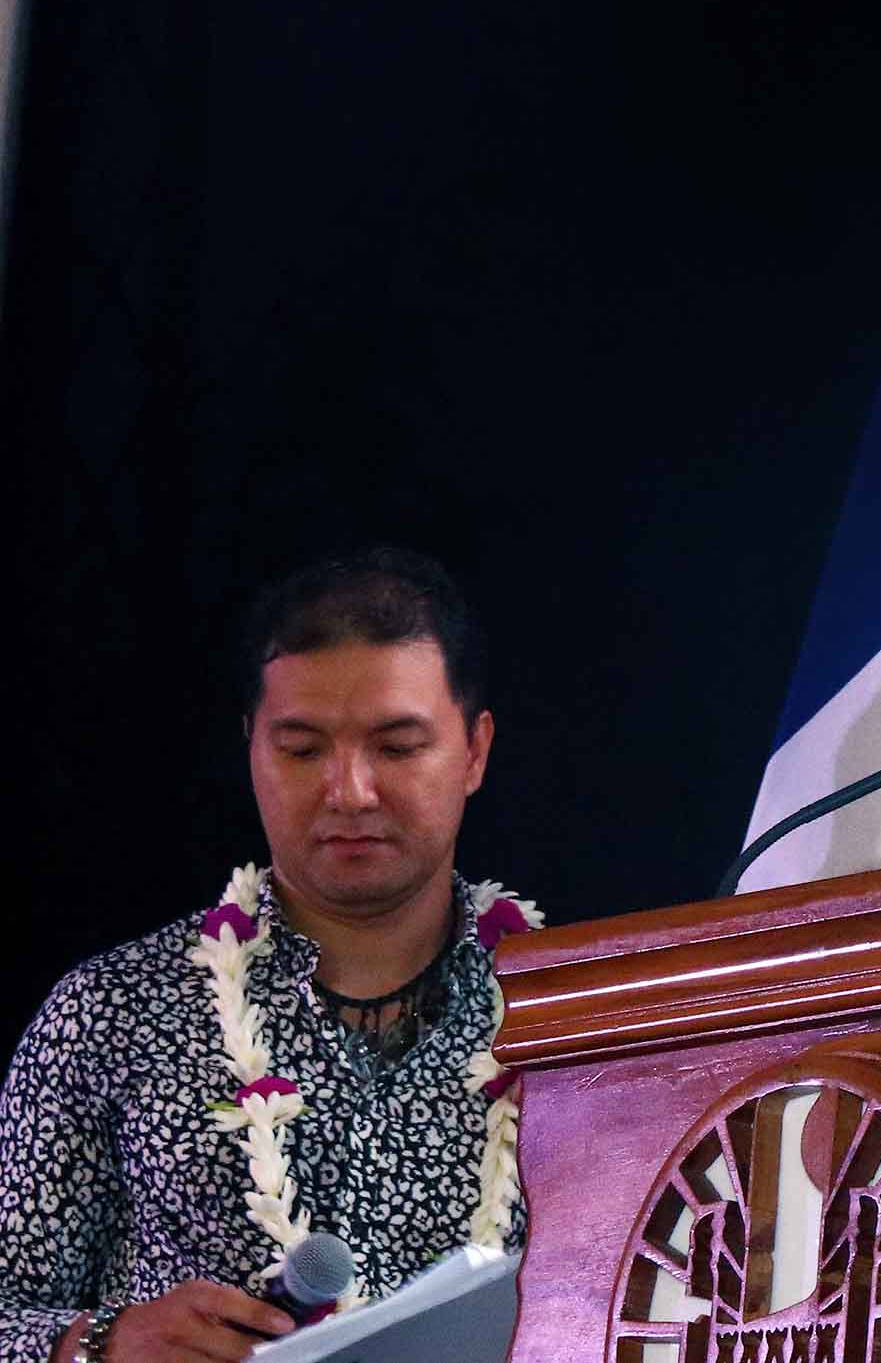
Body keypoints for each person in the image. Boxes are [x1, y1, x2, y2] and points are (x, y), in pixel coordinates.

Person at [0, 548, 540, 1363]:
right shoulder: (108, 1013)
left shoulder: (580, 1017)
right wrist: (96, 1344)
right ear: (251, 745)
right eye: (301, 748)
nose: (350, 789)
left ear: (474, 750)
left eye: (397, 746)